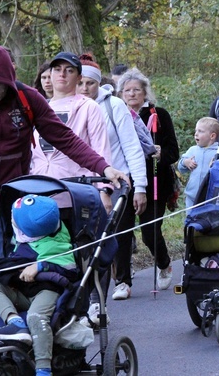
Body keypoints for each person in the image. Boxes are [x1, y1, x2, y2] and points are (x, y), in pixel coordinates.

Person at [0, 44, 128, 375]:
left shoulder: (26, 100)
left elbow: (63, 137)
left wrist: (105, 168)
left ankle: (9, 350)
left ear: (10, 81)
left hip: (10, 208)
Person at [76, 56, 148, 303]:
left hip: (117, 181)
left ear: (99, 84)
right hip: (82, 183)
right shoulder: (70, 107)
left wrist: (140, 187)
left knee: (116, 234)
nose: (85, 89)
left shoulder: (114, 106)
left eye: (90, 84)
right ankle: (87, 297)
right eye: (81, 83)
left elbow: (132, 147)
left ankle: (122, 281)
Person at [0, 194, 78, 376]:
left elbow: (71, 269)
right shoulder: (27, 238)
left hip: (46, 292)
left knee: (36, 317)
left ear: (27, 231)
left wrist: (41, 266)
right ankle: (14, 321)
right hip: (23, 292)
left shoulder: (56, 244)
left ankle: (43, 368)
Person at [118, 68, 180, 291]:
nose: (132, 94)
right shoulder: (117, 114)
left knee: (149, 232)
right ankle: (122, 282)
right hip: (124, 181)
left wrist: (160, 152)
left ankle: (164, 263)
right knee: (122, 232)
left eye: (136, 90)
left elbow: (174, 152)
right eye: (127, 90)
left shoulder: (159, 115)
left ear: (145, 93)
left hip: (155, 181)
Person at [30, 54, 113, 213]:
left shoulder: (88, 107)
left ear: (78, 77)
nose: (62, 74)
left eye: (69, 70)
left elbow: (101, 149)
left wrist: (104, 189)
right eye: (57, 69)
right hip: (39, 192)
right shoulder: (39, 108)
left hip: (76, 193)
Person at [179, 117, 219, 208]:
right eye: (196, 131)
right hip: (192, 196)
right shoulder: (193, 150)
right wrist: (185, 162)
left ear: (212, 136)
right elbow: (180, 168)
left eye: (200, 131)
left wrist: (218, 166)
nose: (196, 134)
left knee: (208, 220)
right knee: (191, 220)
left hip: (211, 198)